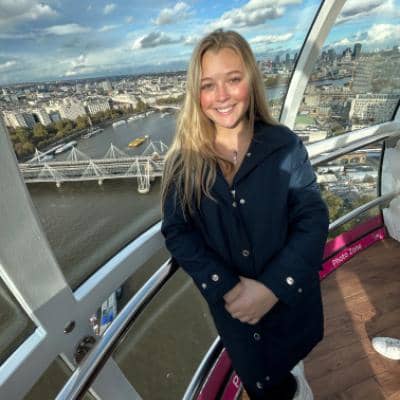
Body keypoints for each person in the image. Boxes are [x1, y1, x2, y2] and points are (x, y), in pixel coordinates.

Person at [161, 29, 329, 400]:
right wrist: (226, 286)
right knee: (262, 381)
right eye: (208, 85)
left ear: (251, 82)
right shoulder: (183, 163)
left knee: (291, 375)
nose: (221, 96)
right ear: (196, 94)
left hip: (289, 309)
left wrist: (273, 287)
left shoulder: (284, 145)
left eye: (233, 79)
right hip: (237, 320)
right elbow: (177, 230)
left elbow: (313, 219)